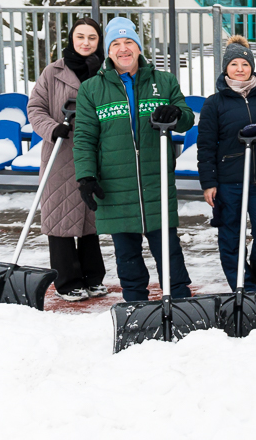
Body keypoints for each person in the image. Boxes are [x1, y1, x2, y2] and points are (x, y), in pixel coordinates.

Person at [73, 17, 195, 302]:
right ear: (108, 51)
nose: (123, 49)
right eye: (116, 43)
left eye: (129, 42)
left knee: (168, 247)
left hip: (156, 179)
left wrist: (176, 114)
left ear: (139, 47)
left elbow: (187, 118)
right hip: (116, 183)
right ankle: (136, 303)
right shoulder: (91, 89)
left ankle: (179, 300)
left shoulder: (164, 81)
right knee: (126, 252)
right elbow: (85, 137)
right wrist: (86, 176)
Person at [26, 17, 108, 301]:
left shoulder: (107, 71)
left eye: (92, 38)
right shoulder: (53, 72)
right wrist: (52, 128)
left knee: (90, 218)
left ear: (99, 41)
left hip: (95, 152)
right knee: (60, 216)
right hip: (61, 153)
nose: (86, 42)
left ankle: (93, 277)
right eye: (80, 37)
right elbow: (35, 107)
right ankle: (67, 281)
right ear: (72, 39)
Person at [197, 35, 256, 293]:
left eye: (245, 64)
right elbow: (206, 145)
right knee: (231, 236)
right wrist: (209, 182)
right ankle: (242, 285)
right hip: (228, 181)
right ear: (226, 68)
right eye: (234, 64)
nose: (240, 69)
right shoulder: (215, 103)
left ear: (252, 66)